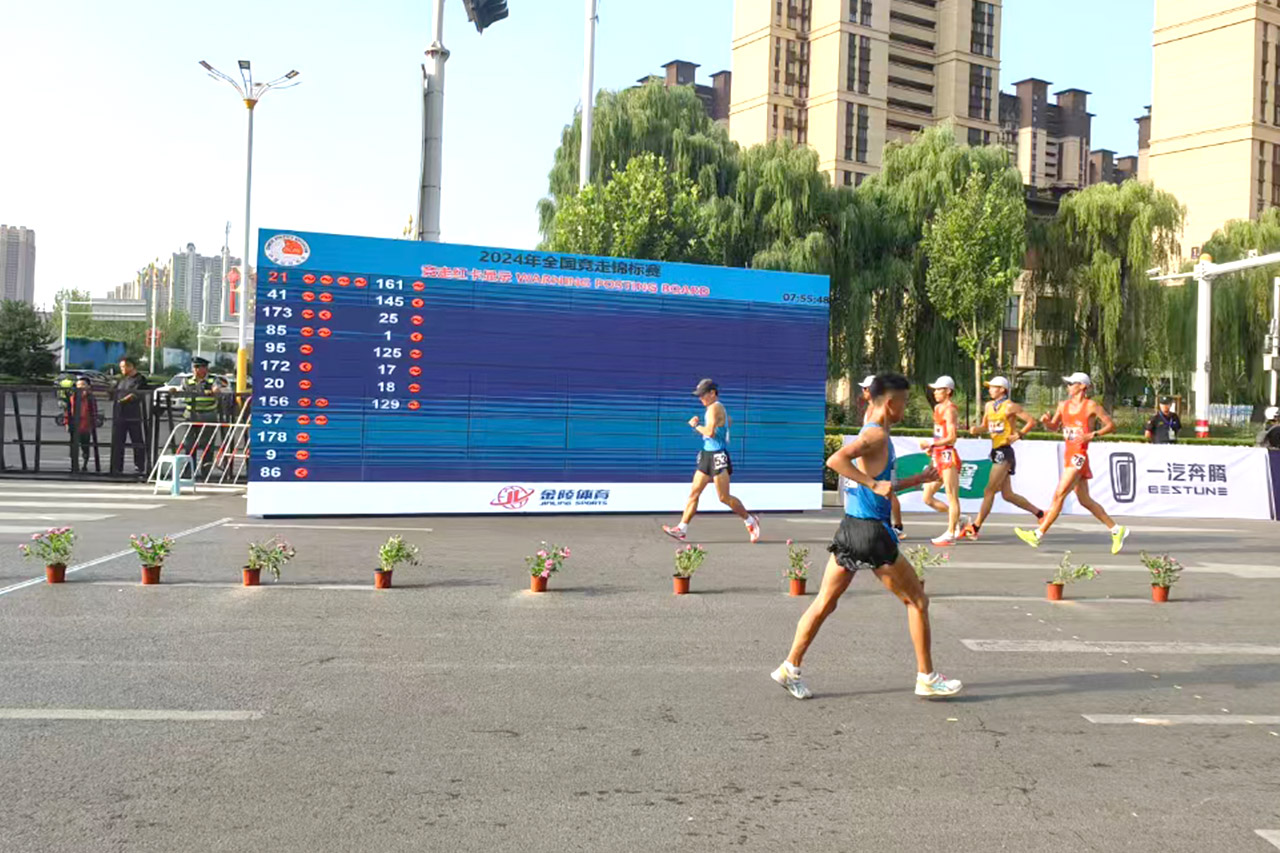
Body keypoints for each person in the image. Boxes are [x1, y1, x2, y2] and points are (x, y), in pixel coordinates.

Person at [770, 372, 962, 701]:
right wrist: (873, 484)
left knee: (825, 602)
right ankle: (927, 678)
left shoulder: (874, 430)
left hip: (851, 528)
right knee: (917, 601)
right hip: (872, 533)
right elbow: (836, 460)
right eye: (903, 403)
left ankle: (790, 667)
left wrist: (916, 480)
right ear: (890, 403)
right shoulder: (876, 435)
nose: (905, 409)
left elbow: (882, 483)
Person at [1015, 372, 1130, 554]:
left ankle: (1037, 534)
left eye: (1071, 383)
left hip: (1079, 454)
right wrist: (1046, 422)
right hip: (1069, 454)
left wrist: (1092, 434)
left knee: (1059, 494)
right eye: (1067, 384)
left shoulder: (1091, 406)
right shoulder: (1063, 405)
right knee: (1084, 500)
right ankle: (1116, 530)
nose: (1068, 387)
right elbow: (1054, 427)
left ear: (1082, 386)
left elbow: (1110, 425)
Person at [663, 379, 762, 543]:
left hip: (717, 456)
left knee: (723, 497)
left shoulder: (714, 408)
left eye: (703, 395)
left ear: (712, 393)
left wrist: (695, 425)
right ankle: (682, 529)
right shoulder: (715, 409)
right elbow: (727, 423)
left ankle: (750, 520)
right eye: (699, 395)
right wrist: (716, 427)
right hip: (707, 455)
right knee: (694, 493)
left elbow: (709, 432)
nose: (700, 398)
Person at [961, 377, 1044, 540]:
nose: (990, 390)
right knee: (1008, 495)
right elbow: (986, 426)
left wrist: (1019, 434)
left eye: (993, 387)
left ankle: (975, 527)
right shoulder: (989, 406)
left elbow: (1031, 421)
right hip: (995, 450)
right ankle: (1040, 514)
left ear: (1002, 389)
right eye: (989, 387)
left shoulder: (1010, 406)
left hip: (1005, 452)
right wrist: (975, 430)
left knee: (989, 490)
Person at [919, 375, 968, 546]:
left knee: (951, 496)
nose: (935, 392)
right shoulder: (938, 408)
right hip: (938, 456)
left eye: (938, 389)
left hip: (947, 456)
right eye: (935, 390)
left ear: (948, 391)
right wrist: (932, 448)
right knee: (927, 497)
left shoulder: (950, 410)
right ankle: (959, 519)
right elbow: (940, 434)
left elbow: (952, 437)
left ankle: (951, 533)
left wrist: (932, 444)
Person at [859, 374, 906, 539]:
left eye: (865, 388)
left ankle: (897, 526)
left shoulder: (877, 412)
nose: (864, 392)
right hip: (867, 522)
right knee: (885, 489)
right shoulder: (872, 412)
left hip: (881, 455)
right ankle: (893, 525)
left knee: (890, 489)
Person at [181, 356, 222, 475]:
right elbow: (181, 391)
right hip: (190, 415)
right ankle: (189, 470)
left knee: (207, 444)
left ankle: (206, 471)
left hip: (208, 414)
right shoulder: (187, 380)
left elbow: (217, 389)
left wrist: (214, 390)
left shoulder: (213, 379)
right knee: (189, 444)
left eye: (198, 367)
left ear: (205, 368)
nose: (195, 370)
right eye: (194, 367)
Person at [110, 356, 149, 476]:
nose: (122, 369)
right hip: (119, 414)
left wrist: (122, 400)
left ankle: (140, 466)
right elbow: (114, 392)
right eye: (121, 367)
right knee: (118, 441)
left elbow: (136, 394)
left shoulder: (139, 379)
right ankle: (116, 467)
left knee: (136, 440)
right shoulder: (121, 379)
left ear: (131, 366)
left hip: (133, 414)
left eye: (123, 367)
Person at [67, 376, 100, 472]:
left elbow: (94, 411)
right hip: (74, 425)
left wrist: (93, 422)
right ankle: (74, 465)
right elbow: (68, 411)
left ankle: (84, 464)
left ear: (88, 386)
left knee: (85, 446)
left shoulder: (90, 398)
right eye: (78, 385)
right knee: (73, 446)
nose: (80, 387)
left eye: (83, 385)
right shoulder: (72, 397)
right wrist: (67, 423)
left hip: (85, 425)